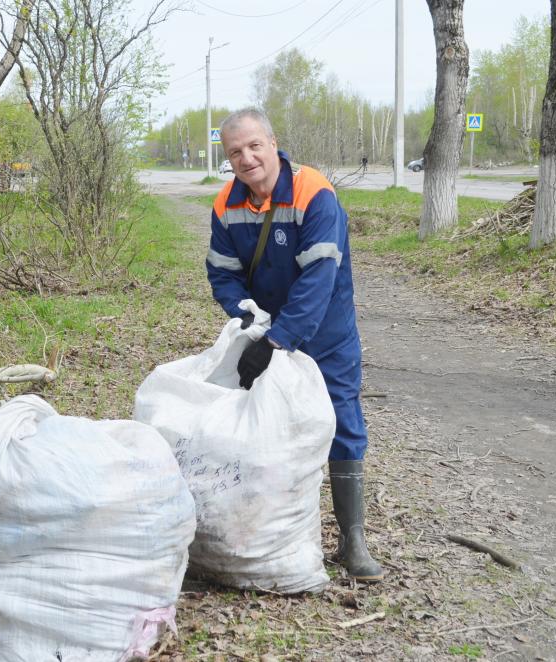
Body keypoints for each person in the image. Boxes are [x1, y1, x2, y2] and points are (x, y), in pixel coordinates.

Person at [205, 108, 384, 582]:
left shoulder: (314, 193)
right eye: (235, 152)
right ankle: (266, 532)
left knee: (342, 418)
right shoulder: (227, 204)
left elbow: (318, 281)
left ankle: (353, 539)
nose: (246, 159)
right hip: (267, 333)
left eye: (254, 146)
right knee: (265, 423)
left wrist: (281, 340)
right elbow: (222, 273)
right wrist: (246, 319)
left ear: (273, 143)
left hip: (325, 332)